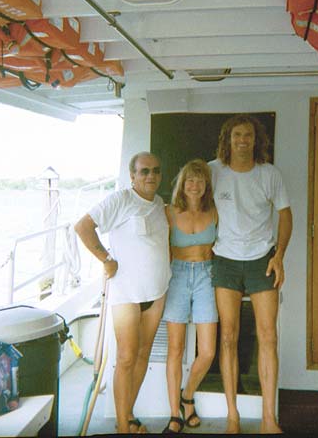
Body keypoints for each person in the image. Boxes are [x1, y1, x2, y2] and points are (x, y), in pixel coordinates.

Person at [74, 152, 169, 434]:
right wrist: (105, 258)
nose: (150, 176)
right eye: (144, 171)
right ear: (132, 176)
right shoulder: (121, 200)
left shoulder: (160, 203)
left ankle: (126, 415)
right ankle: (124, 427)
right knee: (127, 357)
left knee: (143, 354)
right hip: (127, 292)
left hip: (157, 291)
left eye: (155, 170)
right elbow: (83, 227)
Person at [208, 114, 292, 434]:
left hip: (262, 260)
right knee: (228, 337)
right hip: (224, 260)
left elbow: (285, 215)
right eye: (237, 135)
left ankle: (269, 419)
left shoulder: (269, 174)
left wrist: (279, 256)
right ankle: (233, 416)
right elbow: (188, 202)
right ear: (227, 140)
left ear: (256, 140)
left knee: (268, 337)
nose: (242, 140)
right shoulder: (212, 171)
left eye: (248, 135)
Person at [161, 159, 219, 433]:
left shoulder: (215, 212)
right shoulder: (168, 212)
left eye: (200, 180)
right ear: (182, 185)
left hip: (207, 277)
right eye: (190, 180)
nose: (195, 185)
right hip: (178, 276)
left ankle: (187, 395)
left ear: (207, 185)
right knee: (175, 349)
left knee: (207, 351)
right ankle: (175, 413)